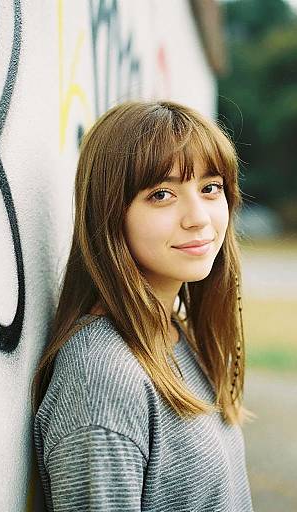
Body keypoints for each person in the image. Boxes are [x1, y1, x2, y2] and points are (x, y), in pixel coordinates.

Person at [31, 99, 254, 511]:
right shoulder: (101, 380)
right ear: (111, 212)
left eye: (210, 188)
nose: (198, 217)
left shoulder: (173, 332)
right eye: (163, 194)